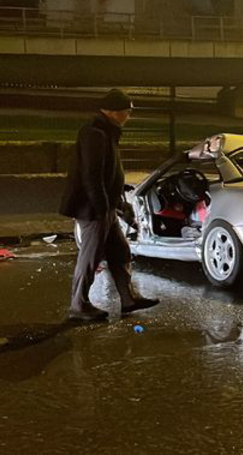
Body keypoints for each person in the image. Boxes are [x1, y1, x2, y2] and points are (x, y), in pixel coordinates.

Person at [59, 89, 159, 321]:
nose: (128, 116)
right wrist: (102, 208)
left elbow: (106, 173)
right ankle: (79, 305)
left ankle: (128, 298)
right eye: (126, 111)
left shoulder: (106, 132)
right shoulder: (95, 134)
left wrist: (116, 198)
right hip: (94, 208)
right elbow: (92, 176)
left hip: (104, 207)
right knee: (90, 257)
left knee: (120, 251)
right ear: (113, 112)